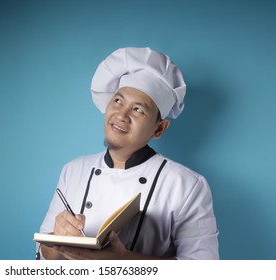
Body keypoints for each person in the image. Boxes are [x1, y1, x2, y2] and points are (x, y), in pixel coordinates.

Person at [37, 47, 219, 260]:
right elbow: (44, 254)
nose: (121, 115)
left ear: (159, 128)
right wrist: (57, 239)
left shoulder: (187, 184)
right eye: (118, 101)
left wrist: (123, 260)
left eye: (138, 109)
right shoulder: (73, 170)